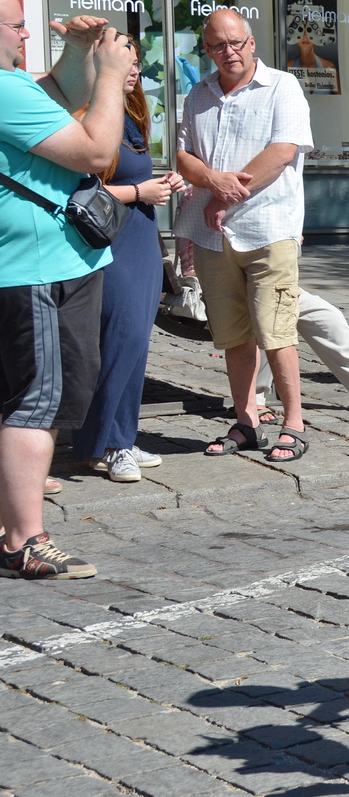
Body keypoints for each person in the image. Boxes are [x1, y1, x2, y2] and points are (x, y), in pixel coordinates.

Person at [0, 0, 132, 579]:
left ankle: (13, 523)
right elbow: (94, 148)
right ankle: (24, 540)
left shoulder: (14, 86)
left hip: (49, 263)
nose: (26, 34)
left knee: (36, 398)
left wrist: (80, 56)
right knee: (36, 402)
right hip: (35, 269)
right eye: (17, 26)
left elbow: (56, 96)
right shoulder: (1, 90)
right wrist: (110, 73)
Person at [174, 8, 316, 465]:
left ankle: (294, 422)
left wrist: (225, 197)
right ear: (208, 49)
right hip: (213, 237)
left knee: (277, 332)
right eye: (217, 45)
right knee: (233, 336)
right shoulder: (198, 94)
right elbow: (184, 156)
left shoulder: (282, 86)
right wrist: (212, 182)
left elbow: (282, 151)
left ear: (251, 43)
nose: (228, 52)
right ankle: (246, 418)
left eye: (235, 43)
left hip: (267, 229)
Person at [72, 37, 188, 482]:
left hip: (139, 236)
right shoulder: (87, 115)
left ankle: (121, 436)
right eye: (126, 62)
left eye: (138, 63)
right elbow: (75, 192)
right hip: (110, 240)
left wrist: (159, 183)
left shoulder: (134, 114)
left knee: (135, 343)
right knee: (117, 341)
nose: (135, 70)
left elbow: (129, 177)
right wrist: (141, 192)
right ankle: (103, 444)